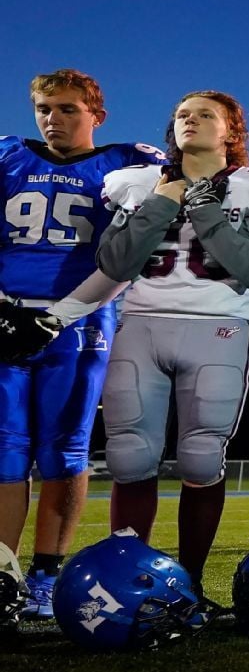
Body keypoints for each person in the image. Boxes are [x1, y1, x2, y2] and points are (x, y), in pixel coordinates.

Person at [43, 90, 249, 596]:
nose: (191, 121)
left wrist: (205, 211)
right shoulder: (136, 183)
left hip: (218, 326)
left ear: (231, 131)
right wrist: (164, 200)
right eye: (182, 114)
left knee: (202, 459)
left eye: (205, 115)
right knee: (130, 458)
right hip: (143, 323)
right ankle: (123, 577)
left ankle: (192, 584)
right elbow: (115, 263)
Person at [0, 69, 167, 617]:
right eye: (45, 109)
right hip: (5, 317)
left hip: (79, 322)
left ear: (98, 113)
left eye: (68, 109)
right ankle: (4, 570)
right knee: (4, 452)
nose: (54, 120)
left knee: (63, 451)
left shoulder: (124, 162)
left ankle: (46, 577)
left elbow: (131, 251)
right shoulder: (8, 157)